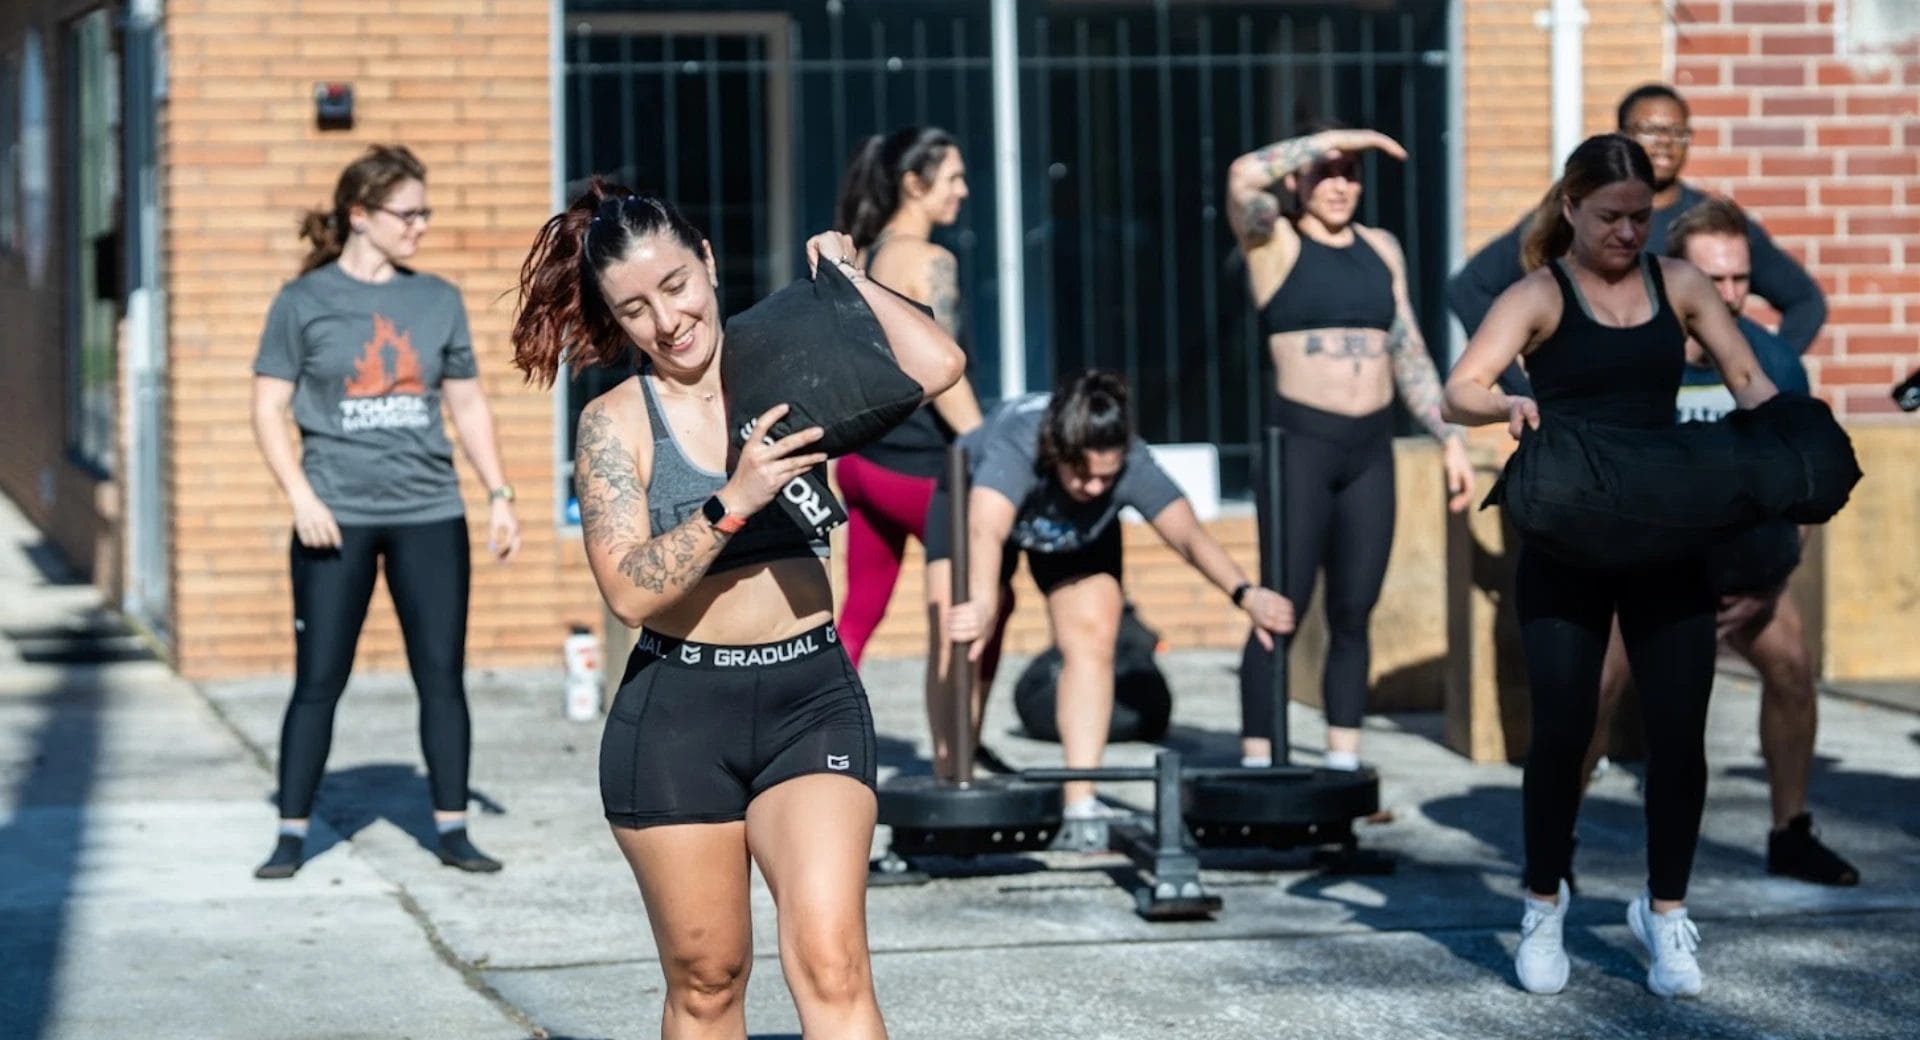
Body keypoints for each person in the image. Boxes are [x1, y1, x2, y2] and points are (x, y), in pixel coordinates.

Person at [511, 182, 962, 1038]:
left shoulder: (788, 352)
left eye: (676, 286)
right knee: (709, 981)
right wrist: (733, 500)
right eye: (635, 308)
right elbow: (627, 590)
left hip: (811, 699)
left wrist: (850, 282)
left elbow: (939, 368)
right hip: (680, 717)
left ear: (709, 262)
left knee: (833, 961)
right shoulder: (617, 423)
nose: (667, 321)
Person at [1443, 133, 1780, 998]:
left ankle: (1665, 915)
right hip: (1566, 538)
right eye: (1611, 218)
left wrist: (1783, 453)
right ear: (1571, 208)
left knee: (1679, 735)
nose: (1629, 233)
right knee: (1561, 730)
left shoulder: (1683, 285)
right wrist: (1508, 401)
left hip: (1667, 537)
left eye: (1641, 218)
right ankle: (1543, 905)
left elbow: (1752, 385)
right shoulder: (1539, 294)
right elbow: (1459, 388)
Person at [250, 144, 521, 880]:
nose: (422, 227)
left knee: (441, 675)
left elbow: (466, 403)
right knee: (319, 678)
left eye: (426, 212)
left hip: (429, 513)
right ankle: (290, 831)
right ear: (360, 217)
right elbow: (269, 407)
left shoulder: (437, 299)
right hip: (332, 516)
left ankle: (453, 827)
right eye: (409, 213)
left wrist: (498, 493)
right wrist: (300, 496)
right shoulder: (302, 302)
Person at [1583, 198, 1856, 887]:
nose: (1730, 295)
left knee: (1793, 667)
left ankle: (1790, 832)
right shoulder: (1633, 351)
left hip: (1738, 574)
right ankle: (1553, 844)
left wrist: (1769, 577)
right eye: (1716, 279)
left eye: (1742, 279)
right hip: (1635, 569)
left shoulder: (1771, 364)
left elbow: (1804, 485)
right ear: (1675, 274)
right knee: (1593, 687)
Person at [1222, 123, 1475, 771]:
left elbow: (1409, 348)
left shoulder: (1382, 249)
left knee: (1355, 609)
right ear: (1299, 179)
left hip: (1369, 449)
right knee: (1281, 604)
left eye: (1350, 174)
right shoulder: (1270, 240)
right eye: (1325, 172)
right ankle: (1258, 762)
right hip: (1300, 444)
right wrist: (1343, 137)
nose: (1338, 185)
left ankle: (1342, 760)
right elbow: (1243, 175)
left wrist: (1447, 436)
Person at [940, 370, 1297, 822]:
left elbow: (1187, 536)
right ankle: (952, 772)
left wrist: (1246, 595)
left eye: (1105, 479)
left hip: (1072, 533)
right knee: (965, 627)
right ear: (1058, 452)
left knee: (1093, 638)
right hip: (970, 504)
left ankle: (1081, 800)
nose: (1094, 487)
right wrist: (983, 603)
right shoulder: (1019, 443)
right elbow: (985, 529)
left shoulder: (1132, 463)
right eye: (1083, 475)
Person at [1448, 83, 1827, 391]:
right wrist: (1521, 392)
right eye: (1650, 130)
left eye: (1677, 132)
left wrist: (1772, 367)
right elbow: (1469, 289)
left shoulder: (1709, 226)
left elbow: (1804, 302)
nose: (1664, 142)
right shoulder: (1563, 244)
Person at [831, 126, 987, 674]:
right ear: (913, 184)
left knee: (858, 614)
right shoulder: (931, 261)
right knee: (972, 610)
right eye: (953, 178)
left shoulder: (869, 252)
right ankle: (955, 752)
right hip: (919, 471)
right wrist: (984, 445)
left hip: (861, 463)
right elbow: (945, 372)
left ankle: (814, 730)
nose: (964, 190)